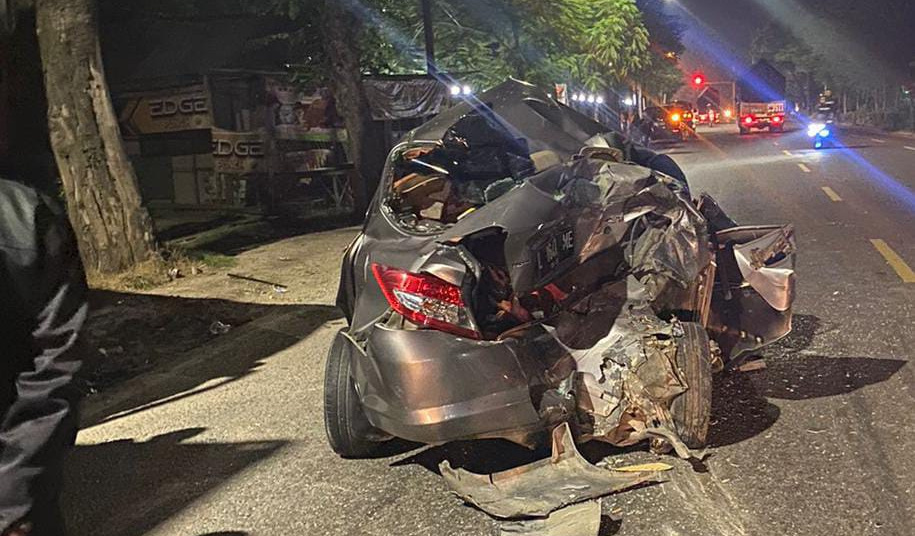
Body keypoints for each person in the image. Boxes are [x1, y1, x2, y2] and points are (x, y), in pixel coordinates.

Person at [0, 178, 87, 536]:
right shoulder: (25, 212)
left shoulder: (25, 216)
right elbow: (59, 359)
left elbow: (57, 359)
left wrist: (13, 496)